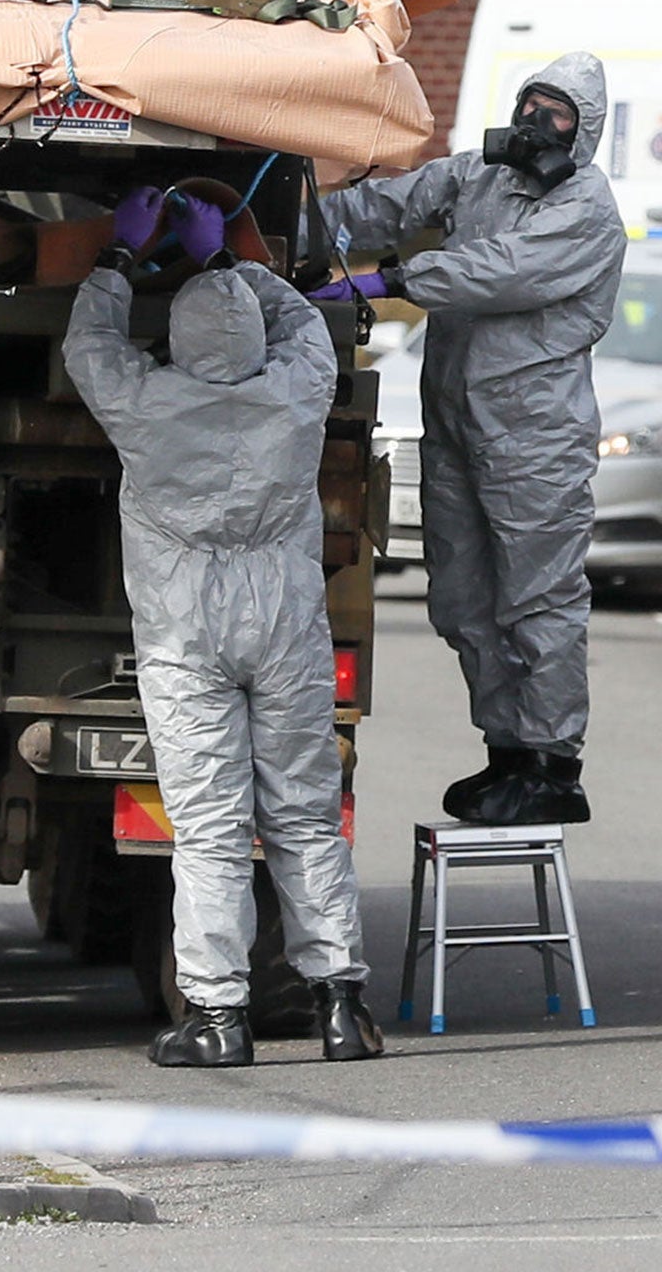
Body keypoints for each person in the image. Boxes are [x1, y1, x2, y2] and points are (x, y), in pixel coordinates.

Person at [64, 188, 382, 1069]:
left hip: (185, 629)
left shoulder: (147, 404)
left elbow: (87, 345)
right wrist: (226, 262)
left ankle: (218, 1016)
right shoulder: (296, 392)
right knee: (306, 815)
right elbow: (306, 326)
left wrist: (121, 258)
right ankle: (340, 1007)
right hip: (284, 622)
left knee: (207, 826)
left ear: (177, 347)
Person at [310, 53, 625, 826]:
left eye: (556, 114)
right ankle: (506, 753)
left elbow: (499, 271)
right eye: (531, 104)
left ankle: (554, 765)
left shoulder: (586, 210)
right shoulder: (476, 179)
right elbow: (387, 205)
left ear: (583, 132)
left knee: (537, 600)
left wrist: (388, 281)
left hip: (534, 436)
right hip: (456, 422)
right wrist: (289, 216)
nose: (535, 125)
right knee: (461, 599)